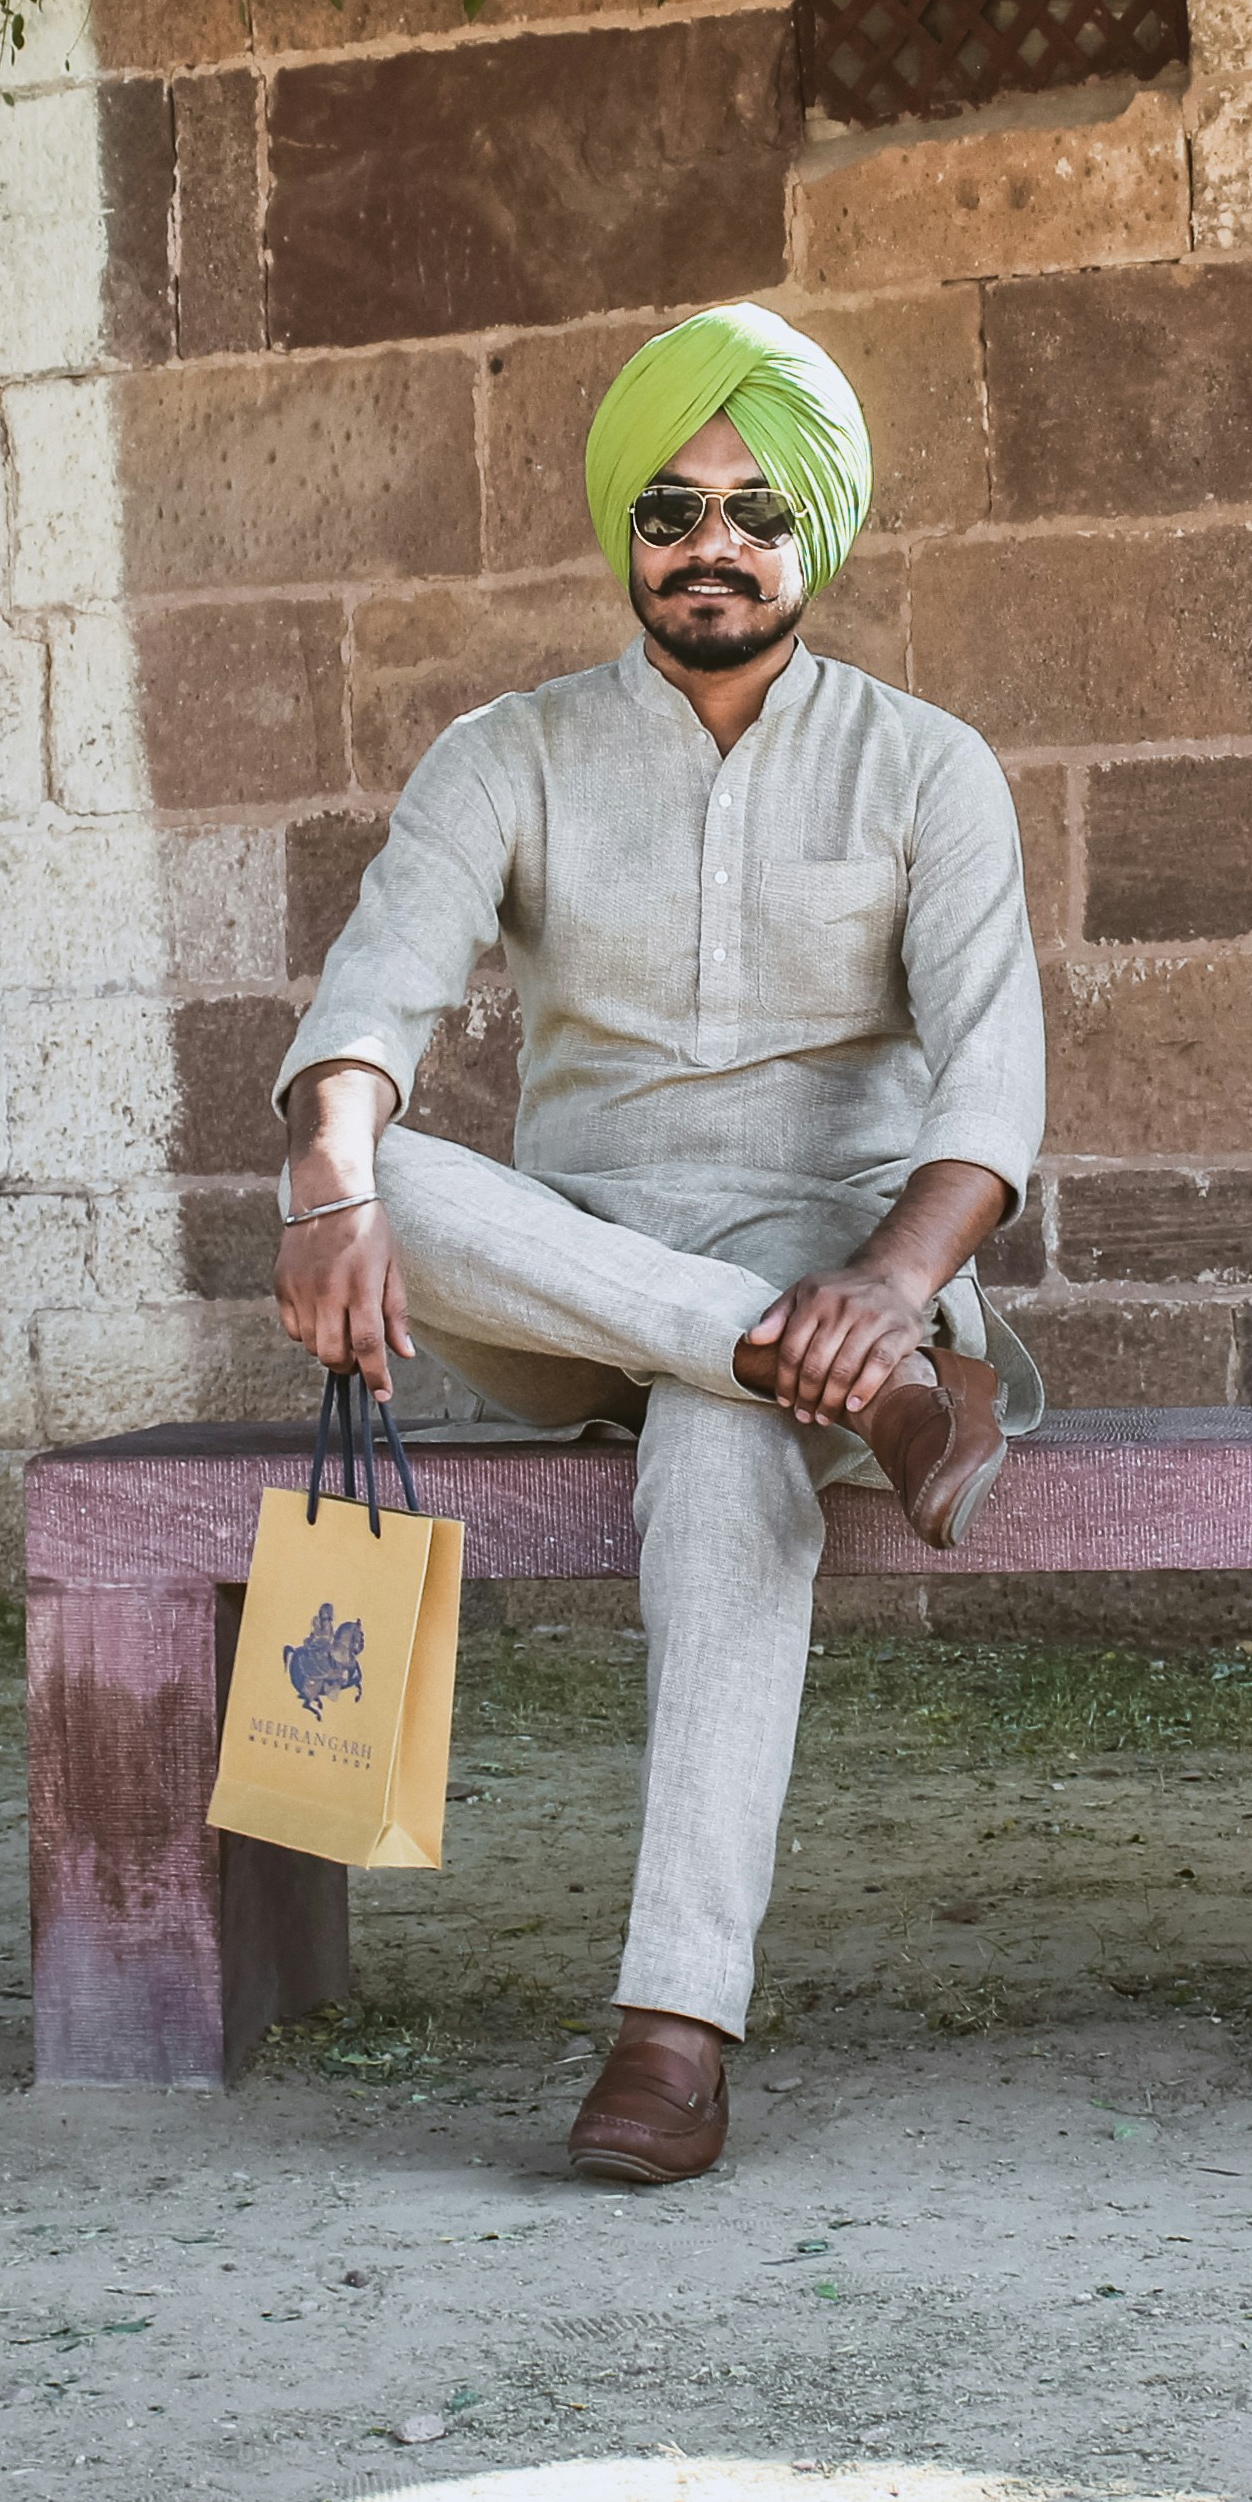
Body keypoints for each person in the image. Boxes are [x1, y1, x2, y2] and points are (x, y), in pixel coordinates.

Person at [270, 301, 1045, 2188]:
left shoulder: (927, 766)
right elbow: (377, 985)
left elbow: (993, 1077)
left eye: (758, 511)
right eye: (675, 509)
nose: (714, 544)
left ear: (817, 535)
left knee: (716, 1462)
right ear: (628, 531)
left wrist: (880, 1284)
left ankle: (672, 2034)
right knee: (409, 1182)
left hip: (841, 1251)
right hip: (576, 1281)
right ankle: (830, 1380)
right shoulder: (505, 754)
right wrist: (331, 1176)